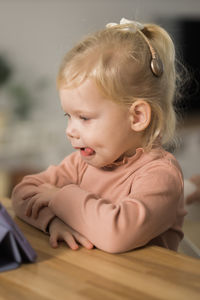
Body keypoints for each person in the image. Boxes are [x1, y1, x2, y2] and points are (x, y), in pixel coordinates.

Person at [11, 18, 187, 253]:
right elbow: (22, 193)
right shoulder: (80, 164)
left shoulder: (160, 175)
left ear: (136, 117)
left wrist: (58, 198)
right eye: (68, 116)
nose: (70, 130)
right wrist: (53, 220)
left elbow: (117, 234)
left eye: (84, 118)